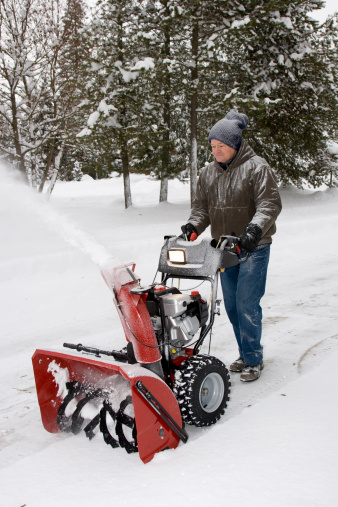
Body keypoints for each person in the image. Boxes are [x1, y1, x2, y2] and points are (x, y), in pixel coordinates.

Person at [181, 110, 282, 382]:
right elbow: (201, 208)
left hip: (254, 247)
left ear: (235, 145)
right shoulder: (208, 173)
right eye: (212, 147)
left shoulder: (257, 168)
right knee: (233, 307)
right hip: (224, 250)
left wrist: (254, 229)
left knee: (247, 304)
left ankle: (253, 359)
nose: (215, 151)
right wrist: (193, 226)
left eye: (221, 146)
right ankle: (245, 353)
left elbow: (269, 204)